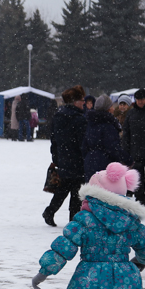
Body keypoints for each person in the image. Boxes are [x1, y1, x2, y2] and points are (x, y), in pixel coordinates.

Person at [43, 86, 87, 227]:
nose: (84, 102)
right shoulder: (79, 118)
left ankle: (50, 211)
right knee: (76, 191)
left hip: (63, 158)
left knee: (64, 187)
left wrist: (56, 157)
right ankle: (72, 220)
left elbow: (53, 138)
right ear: (75, 101)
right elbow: (82, 142)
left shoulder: (58, 116)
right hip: (77, 159)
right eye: (81, 100)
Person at [82, 94, 129, 181]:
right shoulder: (108, 125)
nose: (114, 109)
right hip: (105, 164)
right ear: (107, 109)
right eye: (111, 106)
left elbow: (84, 146)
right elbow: (112, 147)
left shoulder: (91, 123)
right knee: (105, 193)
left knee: (93, 192)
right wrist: (127, 159)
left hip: (90, 163)